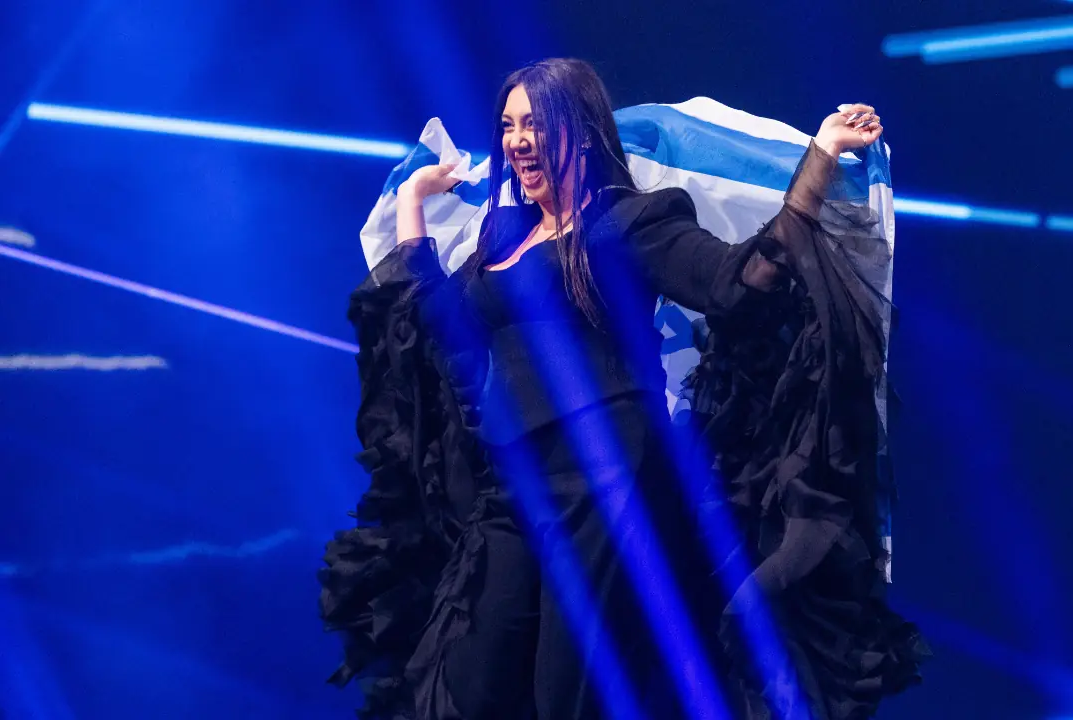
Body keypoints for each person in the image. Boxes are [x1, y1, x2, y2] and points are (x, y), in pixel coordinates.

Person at [319, 58, 928, 720]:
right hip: (511, 489)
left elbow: (742, 278)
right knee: (468, 686)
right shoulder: (504, 235)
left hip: (608, 483)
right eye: (509, 126)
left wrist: (821, 157)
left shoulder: (628, 224)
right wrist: (412, 203)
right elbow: (437, 322)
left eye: (535, 124)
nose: (519, 140)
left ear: (578, 131)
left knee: (568, 699)